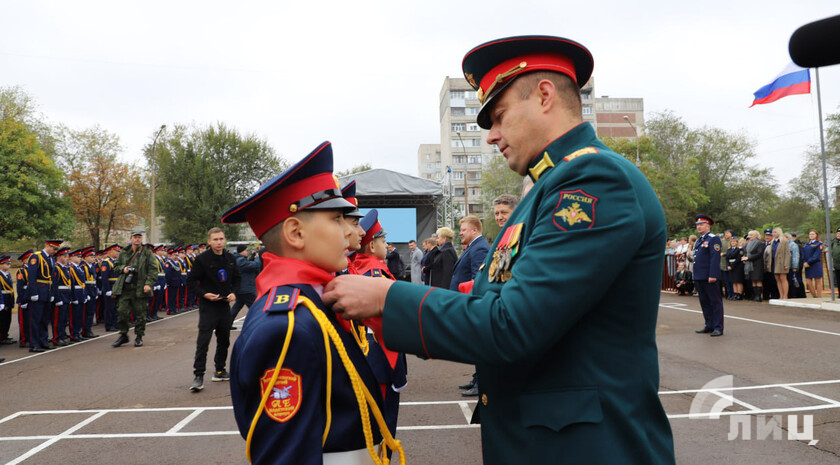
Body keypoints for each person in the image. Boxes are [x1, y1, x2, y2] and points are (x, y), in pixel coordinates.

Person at [322, 36, 675, 464]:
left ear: (544, 95)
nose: (491, 136)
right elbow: (501, 298)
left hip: (586, 448)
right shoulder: (548, 187)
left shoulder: (591, 180)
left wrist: (386, 298)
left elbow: (514, 325)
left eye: (499, 116)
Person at [223, 141, 402, 463]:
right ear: (296, 233)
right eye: (336, 219)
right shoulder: (287, 326)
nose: (351, 232)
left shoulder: (314, 302)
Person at [187, 227, 241, 392]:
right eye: (215, 239)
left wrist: (234, 293)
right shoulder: (202, 259)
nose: (219, 242)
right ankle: (198, 375)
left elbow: (238, 279)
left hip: (224, 306)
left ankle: (219, 370)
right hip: (208, 306)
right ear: (209, 241)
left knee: (224, 340)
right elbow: (191, 281)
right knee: (203, 342)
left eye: (221, 239)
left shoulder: (230, 258)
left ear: (225, 240)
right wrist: (204, 294)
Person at [111, 230, 157, 348]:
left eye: (139, 237)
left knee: (140, 314)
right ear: (131, 239)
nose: (137, 239)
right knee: (122, 312)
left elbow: (153, 270)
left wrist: (148, 284)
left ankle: (139, 336)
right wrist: (124, 268)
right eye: (135, 237)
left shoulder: (147, 252)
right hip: (125, 287)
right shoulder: (124, 252)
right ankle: (123, 335)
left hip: (140, 288)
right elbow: (115, 267)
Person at [25, 239, 63, 352]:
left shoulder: (51, 259)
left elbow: (52, 278)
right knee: (35, 319)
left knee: (45, 319)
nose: (55, 251)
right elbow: (31, 276)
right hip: (38, 290)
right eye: (53, 248)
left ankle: (43, 341)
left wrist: (52, 294)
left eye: (56, 249)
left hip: (47, 291)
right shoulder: (36, 256)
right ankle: (34, 344)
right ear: (47, 245)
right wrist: (34, 292)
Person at [693, 215, 725, 336]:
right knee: (704, 302)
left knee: (715, 302)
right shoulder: (699, 240)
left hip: (709, 276)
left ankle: (718, 327)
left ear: (708, 225)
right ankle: (709, 324)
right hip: (699, 276)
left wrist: (712, 275)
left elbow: (714, 258)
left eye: (701, 224)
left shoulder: (713, 239)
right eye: (697, 225)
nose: (699, 227)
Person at [451, 215, 490, 292]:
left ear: (474, 231)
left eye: (463, 230)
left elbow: (477, 281)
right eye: (460, 230)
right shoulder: (473, 246)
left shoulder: (480, 249)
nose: (460, 233)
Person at [229, 244, 261, 331]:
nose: (247, 252)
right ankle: (258, 324)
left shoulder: (238, 259)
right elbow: (254, 265)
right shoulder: (240, 260)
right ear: (242, 251)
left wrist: (253, 257)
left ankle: (227, 324)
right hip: (245, 289)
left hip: (242, 288)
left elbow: (249, 264)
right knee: (256, 307)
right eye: (246, 250)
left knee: (237, 307)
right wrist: (258, 258)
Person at [764, 227, 790, 300]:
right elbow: (770, 253)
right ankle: (781, 295)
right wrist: (769, 263)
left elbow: (787, 253)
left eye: (776, 232)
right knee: (777, 279)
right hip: (774, 262)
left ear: (779, 232)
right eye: (773, 232)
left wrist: (786, 264)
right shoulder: (772, 241)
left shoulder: (784, 241)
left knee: (783, 278)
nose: (774, 234)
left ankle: (785, 295)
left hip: (782, 262)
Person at [802, 229, 824, 299]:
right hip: (807, 265)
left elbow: (816, 256)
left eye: (813, 234)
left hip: (815, 264)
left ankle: (819, 297)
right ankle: (814, 296)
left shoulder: (819, 244)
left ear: (816, 235)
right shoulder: (806, 244)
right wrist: (804, 262)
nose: (811, 235)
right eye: (810, 234)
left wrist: (808, 262)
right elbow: (803, 254)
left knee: (817, 281)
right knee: (808, 281)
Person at [0, 255, 16, 346]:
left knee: (7, 319)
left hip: (9, 299)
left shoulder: (8, 274)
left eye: (9, 263)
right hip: (3, 299)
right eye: (6, 264)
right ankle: (2, 337)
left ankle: (5, 335)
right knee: (2, 320)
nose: (8, 265)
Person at [762, 228, 780, 300]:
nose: (767, 237)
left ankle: (774, 295)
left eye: (769, 235)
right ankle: (765, 296)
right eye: (766, 235)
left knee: (773, 281)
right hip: (764, 266)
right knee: (765, 282)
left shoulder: (775, 244)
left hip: (773, 265)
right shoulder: (762, 244)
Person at [832, 228, 840, 297]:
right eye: (837, 233)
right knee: (838, 281)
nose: (838, 234)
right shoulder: (834, 242)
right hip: (837, 265)